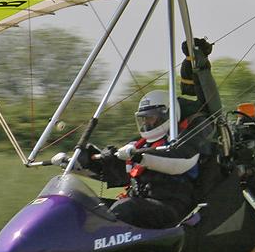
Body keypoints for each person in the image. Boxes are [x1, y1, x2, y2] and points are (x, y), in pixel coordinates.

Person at [80, 89, 213, 229]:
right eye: (144, 118)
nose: (147, 123)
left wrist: (140, 156)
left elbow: (180, 161)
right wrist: (84, 162)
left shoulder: (182, 143)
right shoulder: (141, 144)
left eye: (150, 117)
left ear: (166, 114)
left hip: (171, 207)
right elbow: (119, 172)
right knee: (91, 206)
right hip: (143, 203)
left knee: (125, 208)